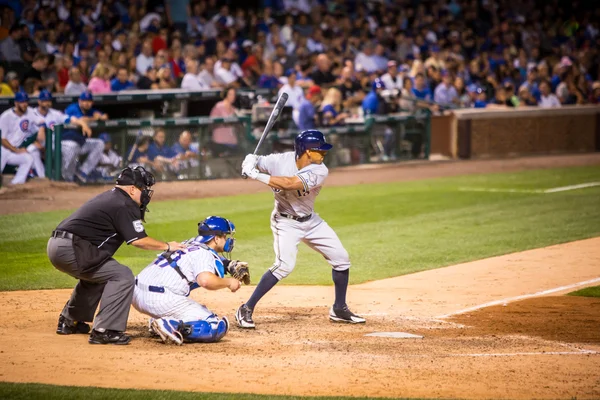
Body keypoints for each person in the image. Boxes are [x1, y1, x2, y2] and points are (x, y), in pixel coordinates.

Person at [236, 130, 365, 329]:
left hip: (311, 222)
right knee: (284, 265)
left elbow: (290, 184)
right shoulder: (279, 161)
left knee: (341, 258)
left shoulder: (320, 170)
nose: (323, 153)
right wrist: (250, 161)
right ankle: (246, 308)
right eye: (318, 150)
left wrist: (255, 175)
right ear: (306, 151)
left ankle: (339, 308)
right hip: (285, 222)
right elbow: (258, 160)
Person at [47, 166, 186, 345]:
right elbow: (138, 240)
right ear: (132, 189)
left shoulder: (112, 197)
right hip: (72, 248)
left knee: (99, 274)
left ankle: (70, 321)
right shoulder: (124, 204)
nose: (146, 193)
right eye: (144, 189)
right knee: (122, 276)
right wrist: (167, 246)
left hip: (58, 246)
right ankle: (105, 330)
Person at [132, 216, 251, 345]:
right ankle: (171, 325)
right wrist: (229, 282)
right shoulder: (203, 254)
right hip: (159, 300)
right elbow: (205, 280)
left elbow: (205, 259)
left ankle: (160, 319)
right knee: (215, 326)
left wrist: (228, 264)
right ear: (216, 238)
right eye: (225, 236)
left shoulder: (188, 244)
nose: (227, 240)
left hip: (136, 294)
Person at [0, 91, 45, 185]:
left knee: (28, 159)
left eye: (26, 101)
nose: (24, 104)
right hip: (3, 149)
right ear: (16, 103)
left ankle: (15, 184)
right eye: (22, 102)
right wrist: (16, 150)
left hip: (14, 150)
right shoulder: (6, 116)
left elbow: (41, 121)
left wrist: (41, 129)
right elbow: (2, 139)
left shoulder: (30, 112)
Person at [62, 91, 107, 182]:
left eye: (89, 101)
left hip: (80, 142)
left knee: (99, 143)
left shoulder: (90, 111)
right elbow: (80, 119)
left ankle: (83, 172)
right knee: (67, 171)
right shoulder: (73, 108)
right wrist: (95, 118)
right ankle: (65, 179)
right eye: (84, 101)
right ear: (79, 101)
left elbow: (105, 116)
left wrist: (101, 117)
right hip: (66, 141)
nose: (86, 103)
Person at [209, 86, 239, 155]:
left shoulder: (234, 109)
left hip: (232, 142)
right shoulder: (218, 106)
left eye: (234, 94)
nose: (233, 96)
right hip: (220, 142)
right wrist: (225, 122)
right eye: (230, 94)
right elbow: (211, 122)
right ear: (226, 95)